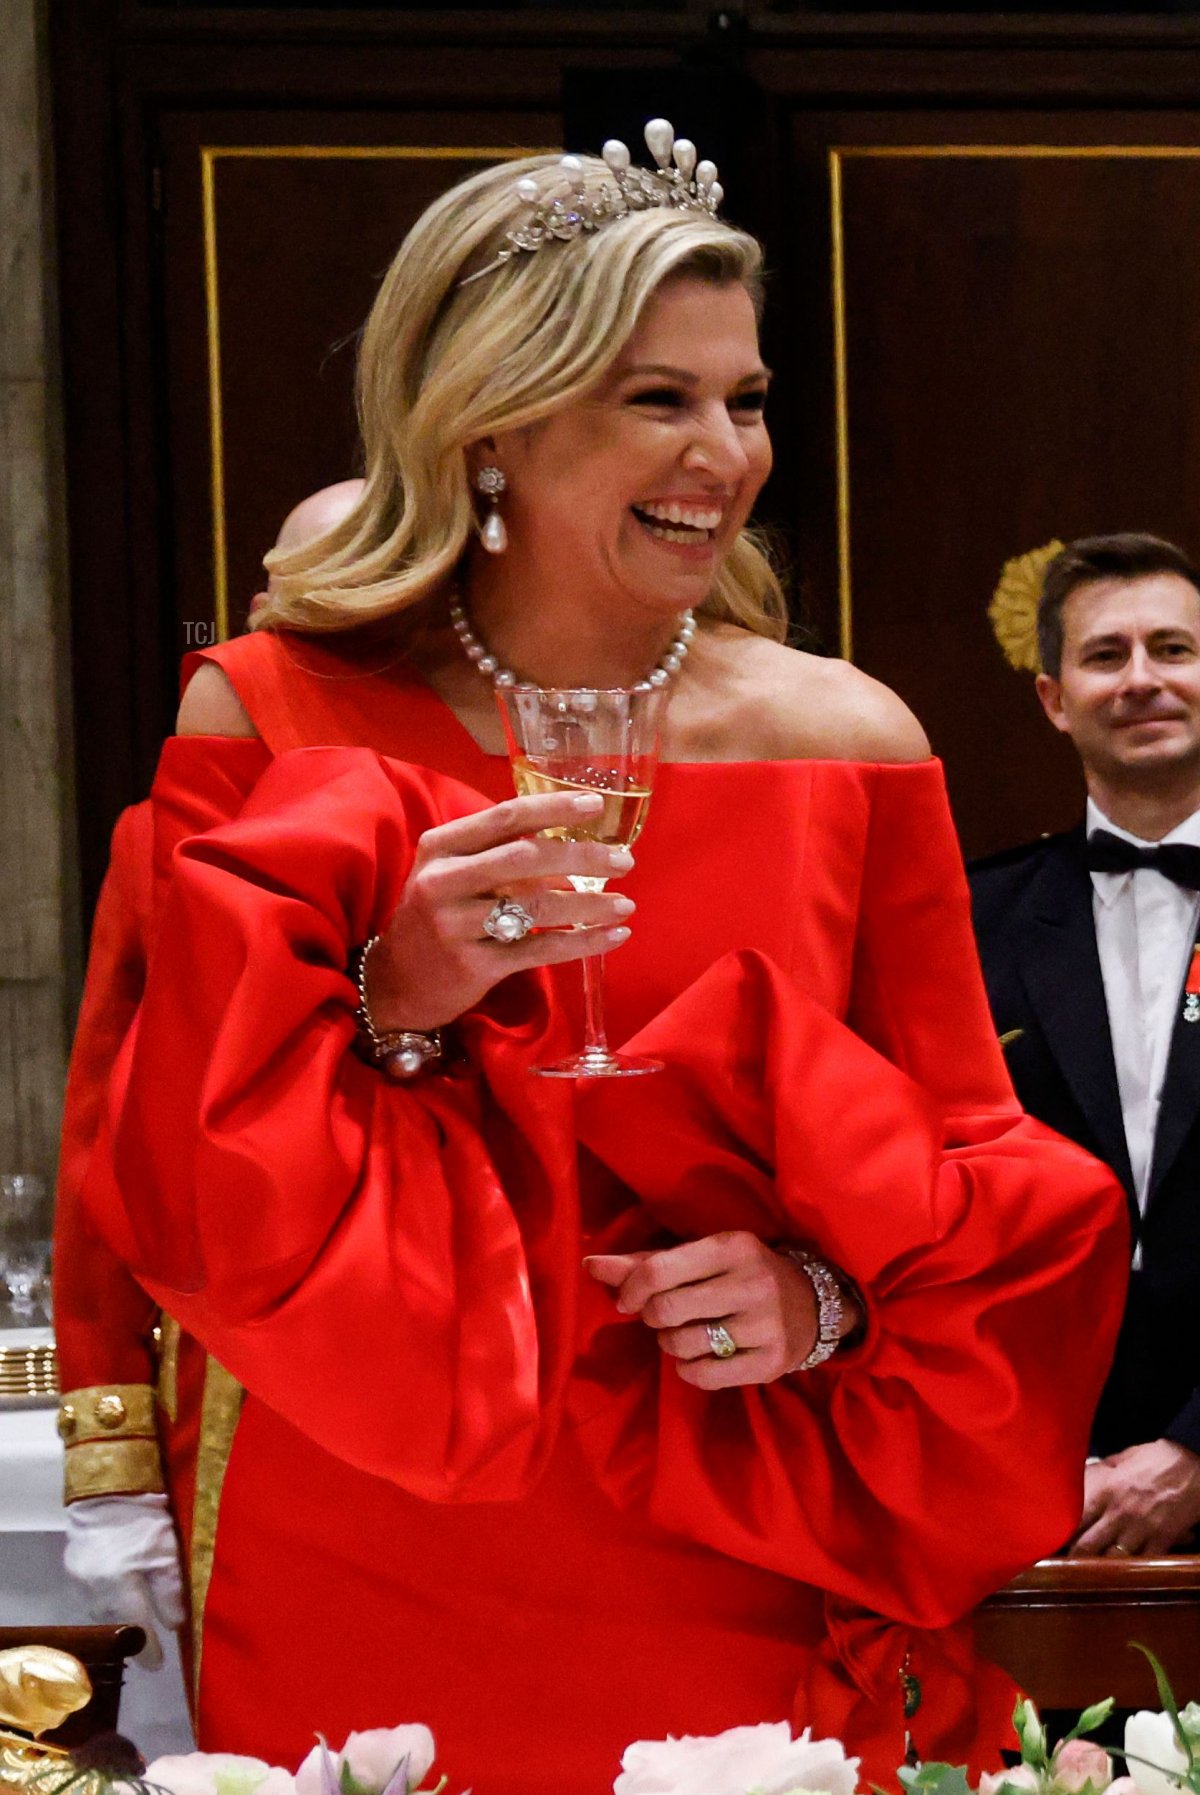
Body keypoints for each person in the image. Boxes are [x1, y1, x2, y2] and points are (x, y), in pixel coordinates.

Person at [70, 124, 1127, 1791]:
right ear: (494, 424)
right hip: (366, 1494)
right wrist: (390, 997)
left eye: (747, 399)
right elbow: (160, 1149)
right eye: (660, 399)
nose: (727, 451)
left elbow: (968, 1166)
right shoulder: (267, 709)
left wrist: (822, 1299)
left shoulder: (845, 742)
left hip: (726, 1498)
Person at [55, 478, 366, 1673]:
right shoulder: (162, 836)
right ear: (255, 620)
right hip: (248, 1386)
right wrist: (112, 1452)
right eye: (312, 608)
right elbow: (101, 1142)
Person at [970, 531, 1200, 1558]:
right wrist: (1023, 1448)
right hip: (1036, 1486)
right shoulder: (971, 920)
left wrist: (1198, 1449)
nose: (1143, 678)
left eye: (1173, 648)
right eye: (1107, 655)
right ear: (1055, 697)